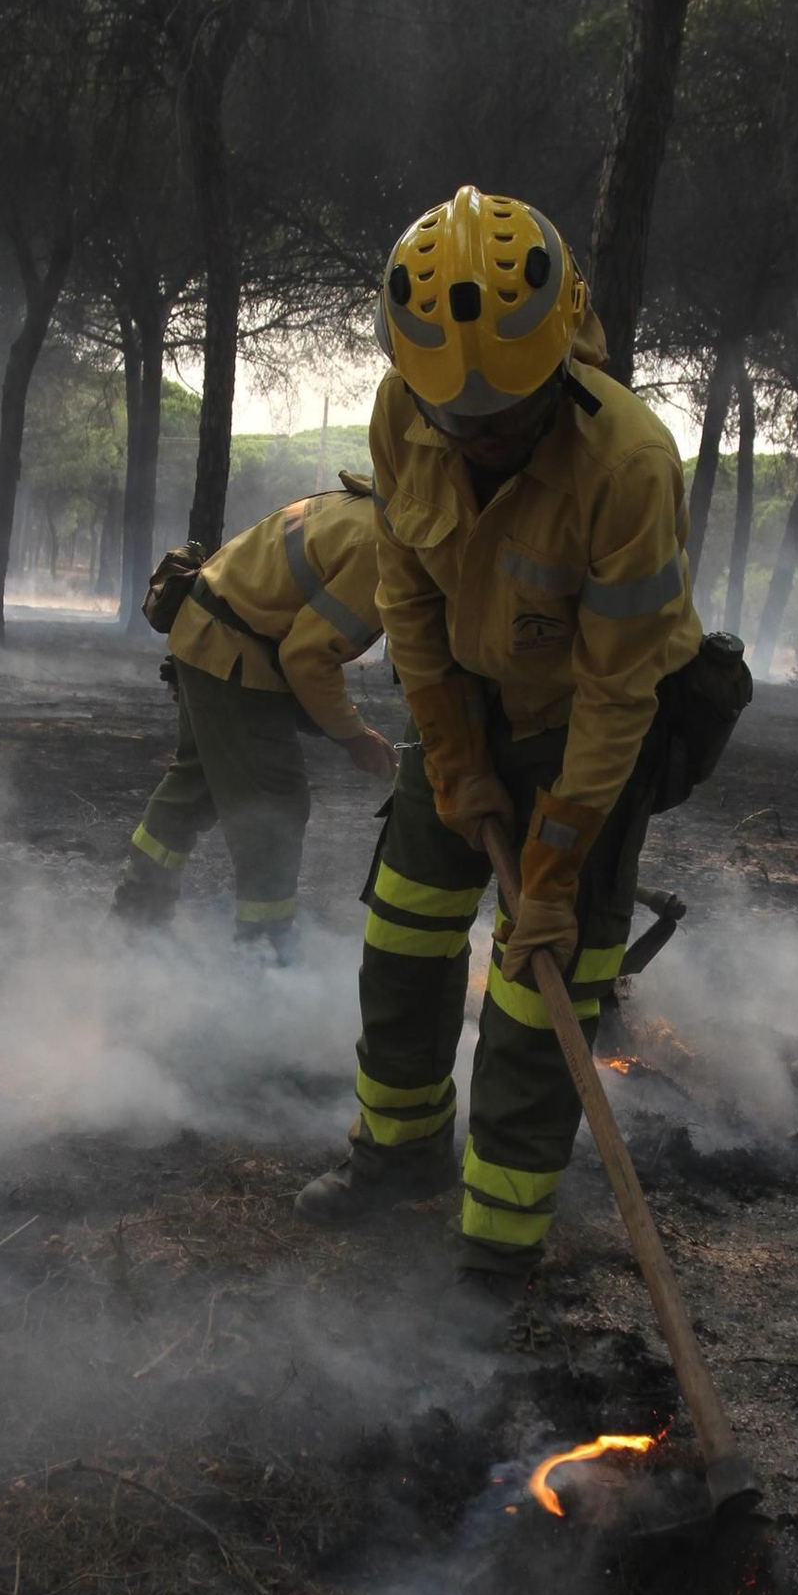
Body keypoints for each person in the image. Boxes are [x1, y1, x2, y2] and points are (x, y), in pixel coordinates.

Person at [295, 185, 702, 1300]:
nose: (479, 436)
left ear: (564, 354)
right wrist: (453, 755)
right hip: (464, 706)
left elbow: (618, 691)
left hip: (587, 733)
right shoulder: (401, 411)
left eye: (506, 415)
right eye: (456, 417)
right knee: (405, 931)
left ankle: (497, 1245)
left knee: (539, 982)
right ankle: (398, 1153)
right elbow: (408, 599)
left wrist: (556, 860)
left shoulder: (630, 467)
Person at [115, 475, 395, 954]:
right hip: (233, 654)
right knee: (275, 802)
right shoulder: (380, 551)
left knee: (197, 782)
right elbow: (307, 657)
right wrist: (353, 738)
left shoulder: (361, 509)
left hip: (204, 632)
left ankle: (135, 919)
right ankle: (263, 950)